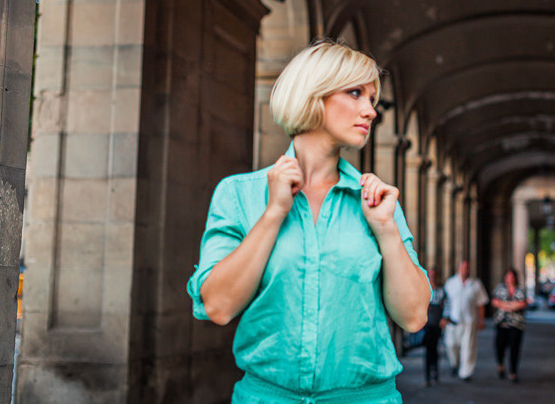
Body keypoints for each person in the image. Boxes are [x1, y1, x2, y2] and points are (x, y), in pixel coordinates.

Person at [186, 40, 431, 403]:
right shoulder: (239, 194)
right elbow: (218, 307)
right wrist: (273, 215)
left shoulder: (379, 202)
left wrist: (387, 231)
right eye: (355, 93)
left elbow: (413, 317)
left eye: (372, 99)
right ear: (313, 94)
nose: (371, 111)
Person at [442, 260, 489, 381]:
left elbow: (481, 304)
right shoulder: (450, 283)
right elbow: (445, 301)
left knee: (468, 348)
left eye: (467, 268)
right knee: (451, 345)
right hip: (453, 320)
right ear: (458, 268)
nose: (465, 270)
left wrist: (481, 320)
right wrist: (443, 317)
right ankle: (454, 364)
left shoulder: (476, 284)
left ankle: (465, 372)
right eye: (463, 268)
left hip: (469, 320)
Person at [491, 267, 529, 383]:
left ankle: (513, 372)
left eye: (512, 276)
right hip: (501, 323)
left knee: (514, 348)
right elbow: (494, 302)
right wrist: (512, 305)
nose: (510, 279)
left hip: (516, 325)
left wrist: (504, 305)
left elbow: (522, 304)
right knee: (499, 346)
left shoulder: (521, 289)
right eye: (508, 276)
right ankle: (501, 365)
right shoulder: (500, 288)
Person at [423, 267, 446, 387]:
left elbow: (446, 305)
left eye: (434, 275)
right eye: (430, 275)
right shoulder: (424, 288)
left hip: (436, 323)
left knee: (435, 349)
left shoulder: (441, 290)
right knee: (428, 350)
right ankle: (427, 376)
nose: (432, 277)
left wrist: (444, 318)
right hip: (426, 323)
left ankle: (435, 371)